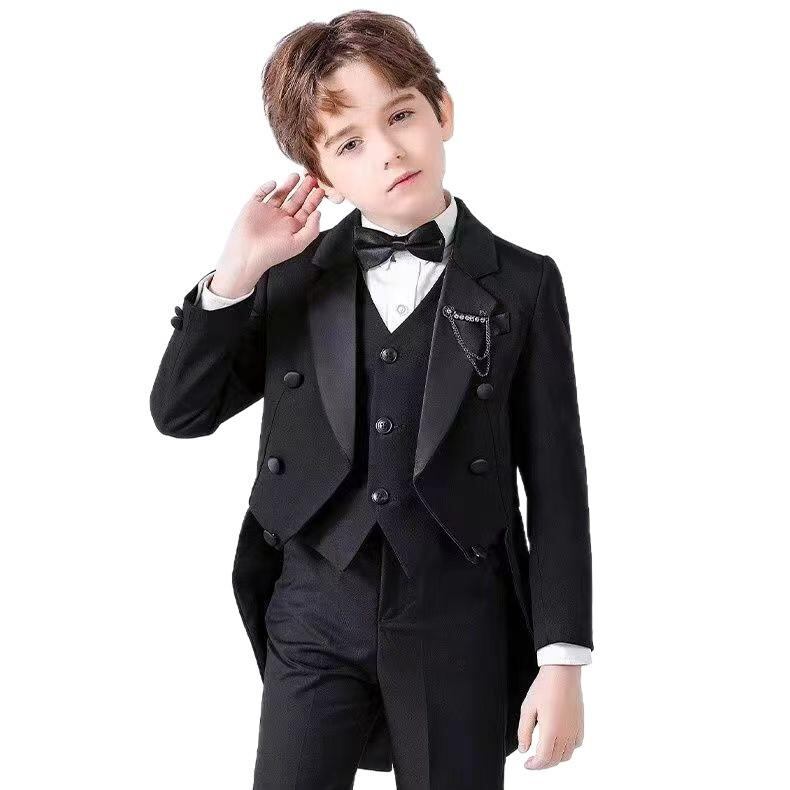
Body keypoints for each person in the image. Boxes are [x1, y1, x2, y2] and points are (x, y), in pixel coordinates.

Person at [150, 10, 593, 789]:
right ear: (320, 177)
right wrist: (235, 274)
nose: (388, 150)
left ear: (442, 110)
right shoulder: (289, 280)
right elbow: (180, 413)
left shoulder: (523, 284)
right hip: (313, 612)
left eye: (401, 115)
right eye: (349, 142)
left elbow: (556, 482)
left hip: (457, 612)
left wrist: (562, 661)